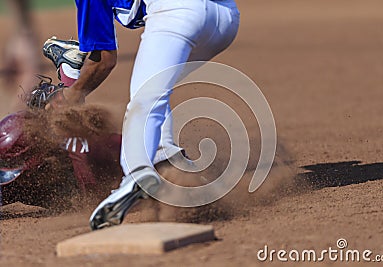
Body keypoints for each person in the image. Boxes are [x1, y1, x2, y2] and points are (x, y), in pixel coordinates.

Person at [43, 0, 240, 230]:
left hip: (180, 12)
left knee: (144, 99)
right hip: (225, 19)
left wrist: (72, 94)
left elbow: (103, 61)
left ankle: (136, 174)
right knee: (157, 88)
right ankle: (171, 166)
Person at [2, 0, 40, 111]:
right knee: (29, 82)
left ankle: (14, 116)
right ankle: (16, 118)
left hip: (18, 38)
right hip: (24, 39)